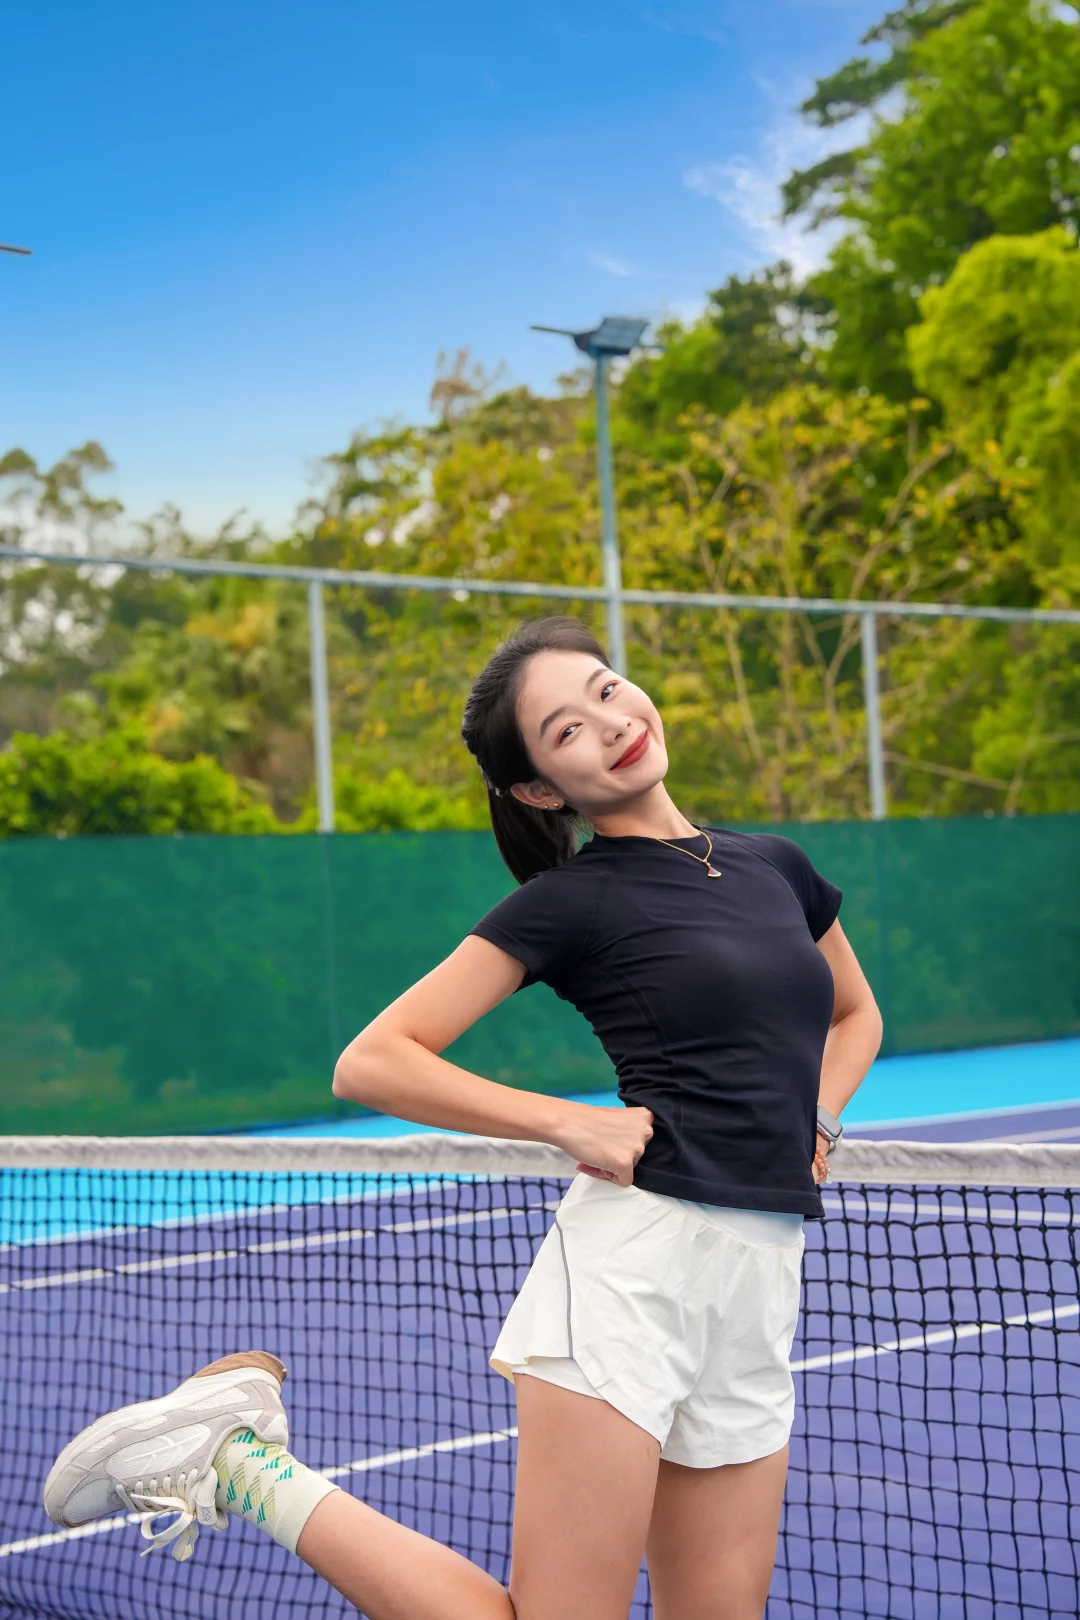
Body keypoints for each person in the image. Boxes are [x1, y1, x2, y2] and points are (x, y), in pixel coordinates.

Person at [43, 615, 883, 1620]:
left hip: (761, 1279)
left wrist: (819, 1120)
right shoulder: (570, 903)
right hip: (635, 1278)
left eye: (606, 689)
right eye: (565, 731)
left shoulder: (777, 865)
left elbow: (856, 1013)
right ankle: (240, 1464)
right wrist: (569, 1124)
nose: (610, 723)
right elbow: (373, 1060)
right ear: (540, 789)